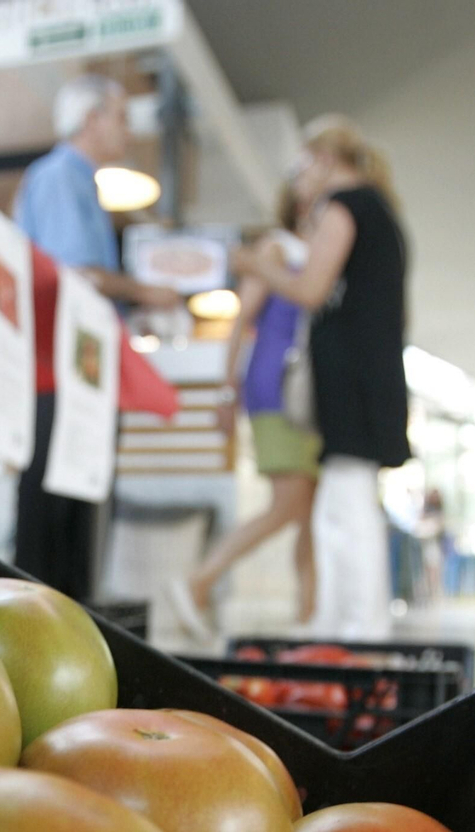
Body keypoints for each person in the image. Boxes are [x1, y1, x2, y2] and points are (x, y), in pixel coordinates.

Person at [234, 115, 412, 640]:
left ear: (325, 157)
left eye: (301, 166)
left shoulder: (347, 206)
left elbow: (310, 288)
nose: (298, 181)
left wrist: (251, 263)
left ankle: (360, 631)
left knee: (346, 507)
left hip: (352, 381)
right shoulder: (380, 213)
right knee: (339, 502)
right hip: (366, 376)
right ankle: (340, 625)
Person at [12, 75, 181, 600]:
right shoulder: (62, 177)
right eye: (121, 117)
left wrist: (129, 304)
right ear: (91, 119)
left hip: (81, 367)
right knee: (58, 514)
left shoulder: (82, 184)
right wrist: (145, 292)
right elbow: (77, 273)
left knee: (79, 505)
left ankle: (66, 622)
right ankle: (41, 623)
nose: (128, 131)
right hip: (61, 370)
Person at [167, 187, 322, 639]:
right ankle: (200, 579)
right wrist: (225, 390)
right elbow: (242, 317)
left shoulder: (318, 255)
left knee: (307, 509)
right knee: (287, 504)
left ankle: (309, 615)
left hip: (308, 396)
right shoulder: (277, 247)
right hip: (277, 388)